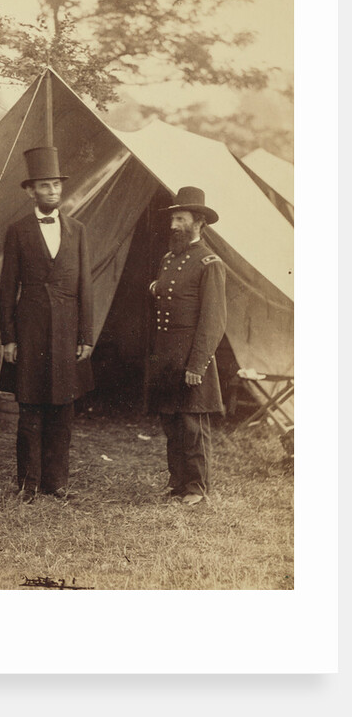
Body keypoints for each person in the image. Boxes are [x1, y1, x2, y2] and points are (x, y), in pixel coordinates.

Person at [0, 146, 94, 503]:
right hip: (30, 329)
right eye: (45, 186)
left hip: (69, 332)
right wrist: (9, 337)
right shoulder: (18, 231)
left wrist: (86, 335)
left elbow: (86, 285)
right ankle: (28, 484)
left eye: (56, 185)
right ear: (30, 191)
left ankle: (58, 483)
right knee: (31, 409)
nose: (53, 191)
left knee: (63, 410)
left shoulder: (78, 230)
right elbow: (8, 287)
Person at [149, 186, 227, 506]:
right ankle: (178, 481)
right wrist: (157, 287)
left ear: (199, 223)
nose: (173, 226)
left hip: (192, 353)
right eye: (172, 219)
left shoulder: (210, 263)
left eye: (180, 219)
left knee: (192, 422)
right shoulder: (169, 259)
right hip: (167, 353)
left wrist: (197, 364)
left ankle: (197, 487)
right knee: (171, 420)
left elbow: (213, 320)